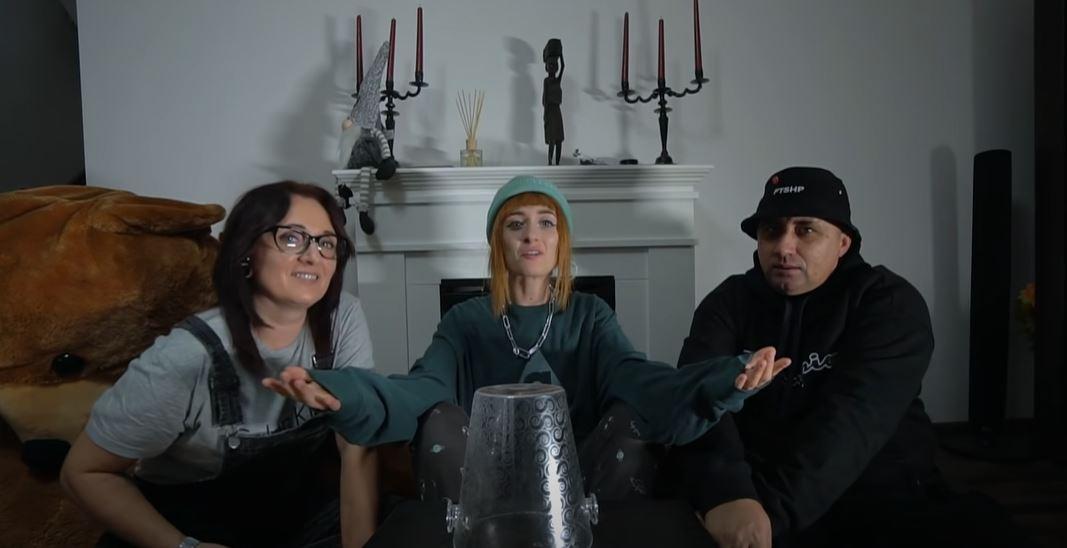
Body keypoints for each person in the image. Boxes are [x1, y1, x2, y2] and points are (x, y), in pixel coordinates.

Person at [265, 175, 790, 507]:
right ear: (499, 242)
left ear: (561, 241)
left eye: (545, 224)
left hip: (580, 483)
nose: (532, 235)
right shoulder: (466, 320)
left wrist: (725, 379)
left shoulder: (590, 315)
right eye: (516, 225)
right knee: (439, 417)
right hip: (480, 484)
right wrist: (343, 390)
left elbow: (636, 378)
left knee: (630, 418)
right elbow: (422, 388)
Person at [676, 167, 1031, 547]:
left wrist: (765, 522)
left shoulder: (888, 303)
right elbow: (697, 398)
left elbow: (851, 424)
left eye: (805, 230)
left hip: (875, 495)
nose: (783, 246)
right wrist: (728, 494)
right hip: (752, 490)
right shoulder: (727, 304)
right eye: (772, 230)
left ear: (843, 243)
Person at [61, 182, 379, 548]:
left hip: (294, 515)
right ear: (246, 251)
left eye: (326, 243)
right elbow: (83, 472)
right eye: (292, 238)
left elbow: (357, 441)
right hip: (188, 524)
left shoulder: (343, 318)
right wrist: (184, 546)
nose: (313, 256)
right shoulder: (185, 357)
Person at [542, 39, 565, 166]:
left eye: (554, 65)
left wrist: (560, 54)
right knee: (552, 138)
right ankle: (550, 163)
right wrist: (545, 114)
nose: (552, 67)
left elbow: (563, 66)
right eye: (550, 65)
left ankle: (557, 164)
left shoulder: (557, 80)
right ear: (546, 67)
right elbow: (545, 97)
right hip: (550, 110)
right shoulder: (546, 81)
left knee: (559, 139)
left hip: (557, 110)